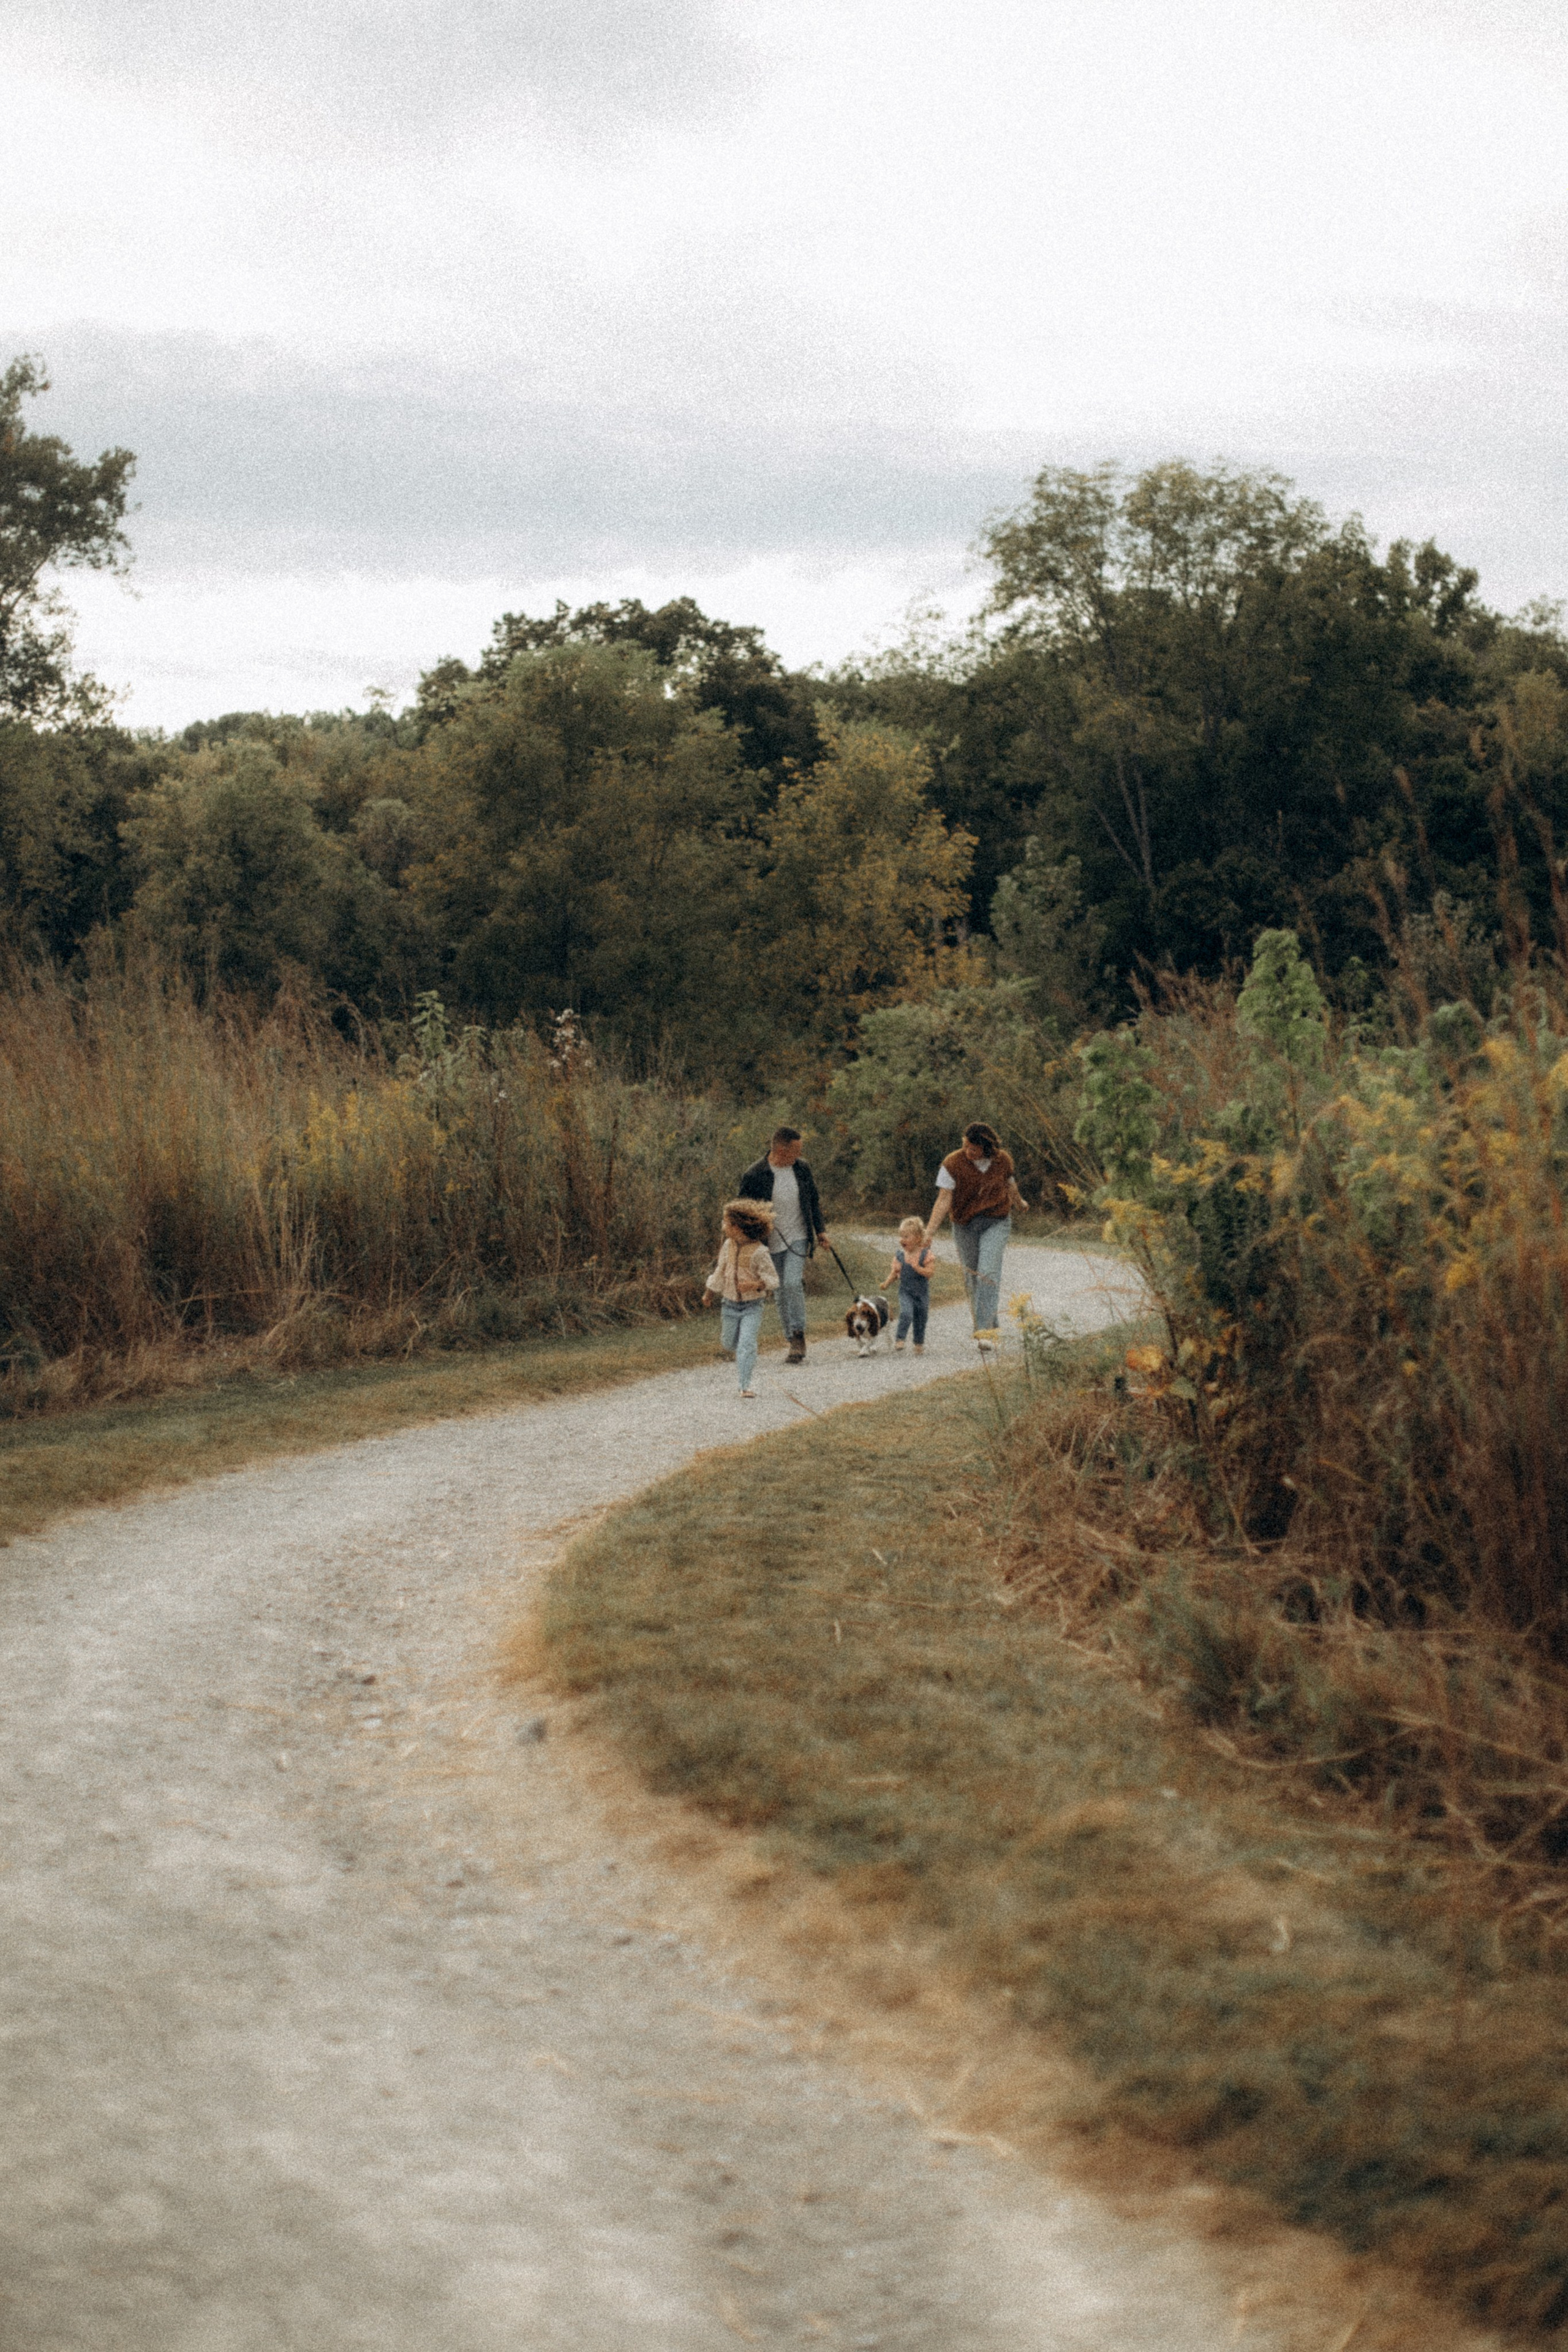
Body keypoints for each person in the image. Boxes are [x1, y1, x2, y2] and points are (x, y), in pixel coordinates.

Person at [923, 1121, 1027, 1352]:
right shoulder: (953, 1163)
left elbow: (1010, 1185)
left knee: (988, 1274)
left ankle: (985, 1332)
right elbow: (943, 1199)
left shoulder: (1002, 1160)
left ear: (986, 1148)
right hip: (964, 1225)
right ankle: (989, 1321)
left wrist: (1020, 1203)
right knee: (972, 1277)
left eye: (973, 1148)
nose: (968, 1151)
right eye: (965, 1145)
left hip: (996, 1221)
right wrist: (929, 1232)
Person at [737, 1126, 830, 1365]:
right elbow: (742, 1211)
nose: (799, 1156)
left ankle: (799, 1334)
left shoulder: (802, 1169)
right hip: (769, 1242)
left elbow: (814, 1200)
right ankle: (791, 1340)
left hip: (798, 1236)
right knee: (778, 1289)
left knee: (791, 1282)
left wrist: (820, 1231)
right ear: (780, 1149)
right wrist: (746, 1241)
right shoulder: (755, 1174)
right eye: (796, 1151)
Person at [704, 1199, 779, 1398]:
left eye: (725, 1222)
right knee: (729, 1344)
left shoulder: (760, 1252)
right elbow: (720, 1271)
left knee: (746, 1343)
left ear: (737, 1227)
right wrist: (709, 1292)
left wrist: (756, 1285)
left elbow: (773, 1280)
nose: (723, 1226)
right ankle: (745, 1350)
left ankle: (744, 1386)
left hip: (752, 1306)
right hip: (729, 1305)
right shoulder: (728, 1246)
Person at [882, 1216, 935, 1354]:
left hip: (922, 1293)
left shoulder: (925, 1254)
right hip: (905, 1291)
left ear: (918, 1238)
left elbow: (930, 1273)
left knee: (921, 1317)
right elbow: (895, 1273)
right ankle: (900, 1339)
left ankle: (919, 1342)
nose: (902, 1240)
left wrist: (919, 1269)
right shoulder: (900, 1256)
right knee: (906, 1313)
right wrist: (886, 1283)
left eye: (906, 1236)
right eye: (901, 1236)